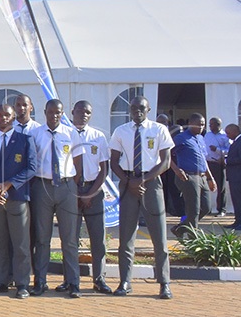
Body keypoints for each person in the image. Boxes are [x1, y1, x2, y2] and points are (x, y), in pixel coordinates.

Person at [110, 96, 174, 299]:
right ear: (130, 110)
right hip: (128, 183)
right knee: (126, 237)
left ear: (149, 109)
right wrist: (130, 182)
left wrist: (143, 180)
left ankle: (164, 283)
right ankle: (125, 281)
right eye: (134, 108)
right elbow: (113, 163)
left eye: (141, 108)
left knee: (159, 237)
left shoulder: (159, 130)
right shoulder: (121, 131)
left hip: (151, 184)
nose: (137, 111)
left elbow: (165, 162)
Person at [27, 99, 82, 297]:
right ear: (45, 112)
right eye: (51, 112)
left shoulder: (70, 133)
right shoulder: (35, 134)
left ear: (62, 112)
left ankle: (73, 283)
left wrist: (72, 186)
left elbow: (78, 162)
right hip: (42, 187)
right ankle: (40, 282)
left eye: (58, 112)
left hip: (66, 187)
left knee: (69, 239)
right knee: (42, 238)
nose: (54, 115)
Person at [0, 105, 36, 299]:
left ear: (14, 118)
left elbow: (31, 168)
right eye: (0, 114)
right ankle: (1, 281)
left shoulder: (25, 140)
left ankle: (22, 284)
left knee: (21, 243)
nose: (3, 118)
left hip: (17, 199)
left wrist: (8, 185)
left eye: (7, 115)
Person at [70, 100, 113, 294]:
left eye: (88, 112)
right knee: (70, 238)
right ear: (73, 112)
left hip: (94, 191)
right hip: (71, 191)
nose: (84, 115)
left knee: (98, 238)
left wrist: (90, 194)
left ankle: (99, 279)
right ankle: (71, 280)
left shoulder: (98, 136)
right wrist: (76, 193)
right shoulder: (65, 133)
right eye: (80, 111)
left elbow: (104, 170)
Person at [170, 113, 216, 239]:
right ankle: (193, 241)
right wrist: (176, 170)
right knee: (193, 210)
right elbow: (165, 155)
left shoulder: (201, 138)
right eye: (199, 124)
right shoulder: (181, 138)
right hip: (187, 177)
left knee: (206, 207)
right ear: (190, 123)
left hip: (202, 176)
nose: (201, 127)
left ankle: (180, 228)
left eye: (203, 125)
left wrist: (210, 178)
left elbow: (203, 159)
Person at [204, 117, 230, 216]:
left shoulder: (225, 136)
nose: (210, 126)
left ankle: (221, 209)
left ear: (218, 124)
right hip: (207, 163)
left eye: (212, 124)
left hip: (218, 164)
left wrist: (218, 150)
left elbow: (229, 150)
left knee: (220, 187)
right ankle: (207, 208)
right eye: (209, 124)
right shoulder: (207, 135)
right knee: (206, 186)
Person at [225, 124, 241, 230]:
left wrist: (227, 160)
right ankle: (237, 220)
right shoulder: (236, 141)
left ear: (235, 131)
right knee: (236, 200)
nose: (227, 135)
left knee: (238, 199)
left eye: (228, 133)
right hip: (234, 177)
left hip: (238, 177)